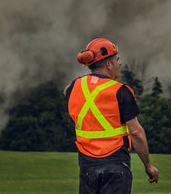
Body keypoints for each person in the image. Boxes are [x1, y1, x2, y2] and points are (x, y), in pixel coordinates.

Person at [64, 38, 159, 194]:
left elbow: (66, 90)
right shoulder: (121, 91)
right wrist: (148, 166)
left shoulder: (76, 86)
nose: (120, 63)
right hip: (115, 166)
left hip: (87, 167)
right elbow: (136, 132)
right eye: (117, 59)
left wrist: (92, 69)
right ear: (108, 64)